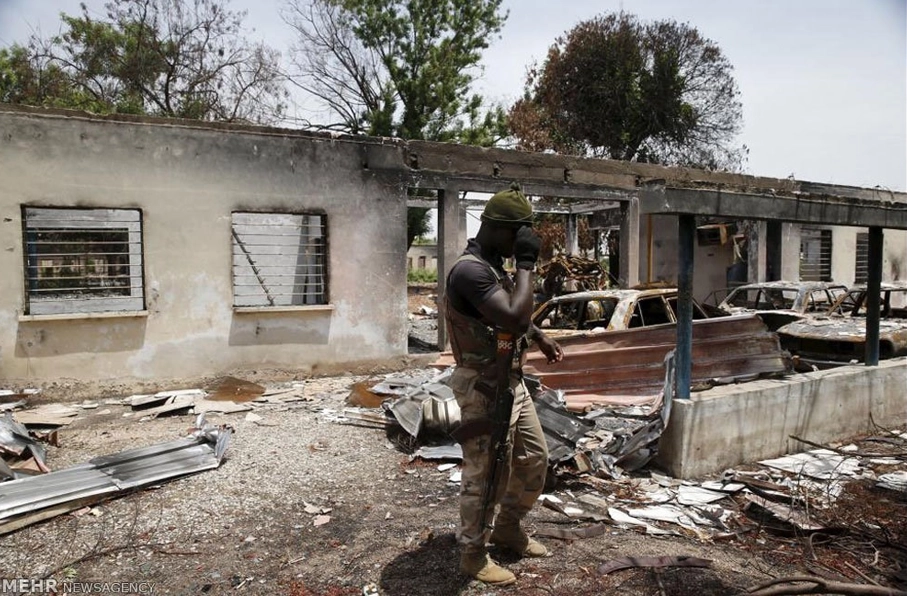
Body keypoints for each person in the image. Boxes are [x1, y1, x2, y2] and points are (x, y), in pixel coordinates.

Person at [444, 182, 565, 585]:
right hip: (483, 386)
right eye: (519, 235)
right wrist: (527, 264)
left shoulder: (492, 266)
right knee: (486, 472)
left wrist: (539, 335)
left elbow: (513, 317)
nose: (523, 243)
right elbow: (510, 315)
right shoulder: (470, 270)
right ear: (496, 229)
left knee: (533, 458)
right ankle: (473, 555)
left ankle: (508, 527)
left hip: (509, 381)